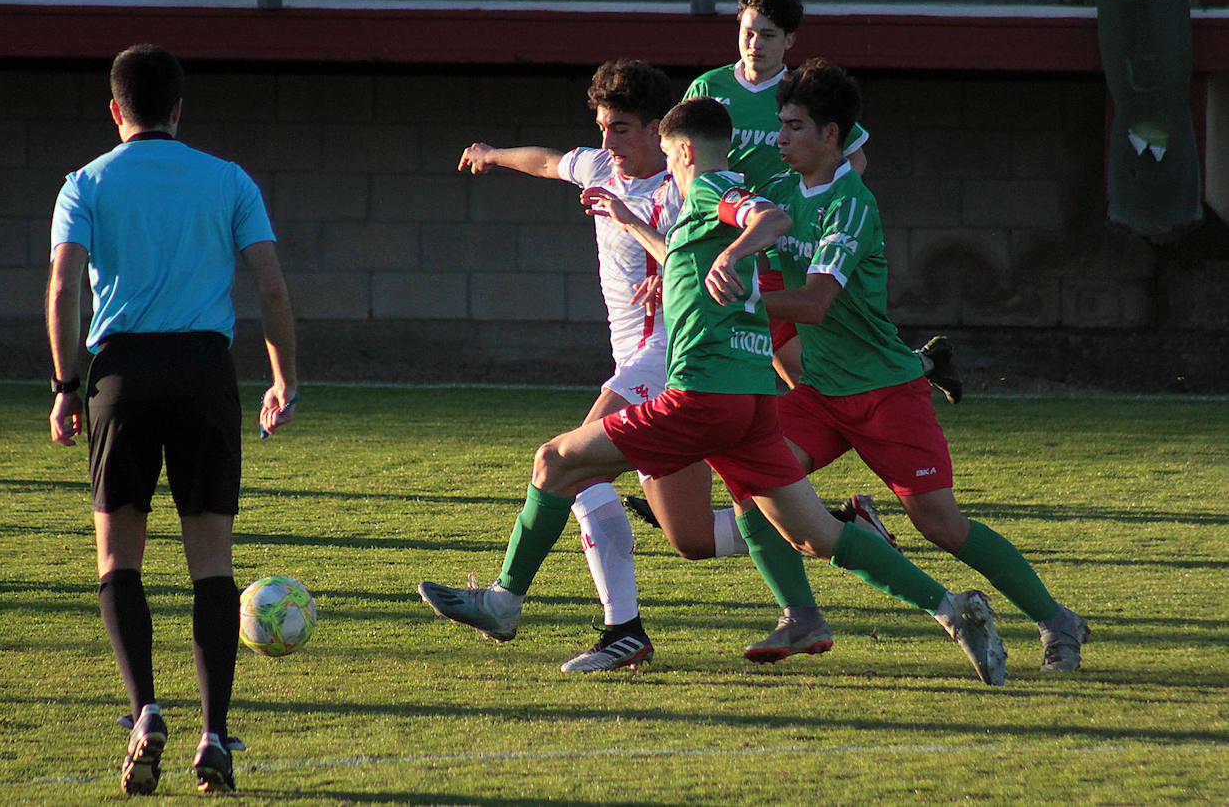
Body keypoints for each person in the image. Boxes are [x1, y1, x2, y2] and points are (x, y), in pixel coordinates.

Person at [419, 95, 1009, 687]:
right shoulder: (705, 200)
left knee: (555, 460)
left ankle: (504, 604)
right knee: (813, 533)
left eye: (672, 160)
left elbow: (768, 219)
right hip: (748, 402)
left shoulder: (710, 190)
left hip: (701, 398)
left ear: (680, 149)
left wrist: (732, 252)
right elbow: (691, 255)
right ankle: (952, 608)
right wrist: (635, 226)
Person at [647, 61, 1089, 672]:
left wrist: (730, 295)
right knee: (752, 487)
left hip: (885, 391)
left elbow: (816, 305)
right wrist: (678, 279)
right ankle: (801, 616)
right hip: (819, 391)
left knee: (941, 526)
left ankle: (1057, 621)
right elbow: (734, 264)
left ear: (831, 136)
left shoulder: (851, 205)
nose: (779, 139)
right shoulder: (774, 198)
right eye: (779, 125)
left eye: (794, 127)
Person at [46, 44, 299, 795]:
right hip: (204, 374)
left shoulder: (85, 181)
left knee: (118, 557)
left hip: (121, 375)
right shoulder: (227, 179)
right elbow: (273, 288)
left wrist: (65, 385)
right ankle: (214, 734)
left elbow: (63, 283)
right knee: (211, 563)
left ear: (116, 110)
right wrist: (283, 377)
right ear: (180, 109)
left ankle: (146, 710)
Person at [457, 58, 707, 673]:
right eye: (601, 127)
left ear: (658, 131)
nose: (606, 142)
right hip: (640, 362)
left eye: (620, 129)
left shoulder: (684, 189)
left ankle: (515, 602)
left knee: (561, 461)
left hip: (668, 356)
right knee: (693, 535)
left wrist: (670, 275)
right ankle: (842, 527)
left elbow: (709, 261)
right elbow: (547, 161)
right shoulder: (600, 166)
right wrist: (492, 152)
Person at [681, 0, 960, 401]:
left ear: (790, 39)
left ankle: (820, 417)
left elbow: (855, 157)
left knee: (783, 343)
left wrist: (817, 213)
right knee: (780, 348)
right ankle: (916, 367)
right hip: (727, 237)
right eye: (747, 32)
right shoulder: (708, 90)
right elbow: (683, 164)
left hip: (777, 242)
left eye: (768, 35)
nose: (755, 43)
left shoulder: (802, 94)